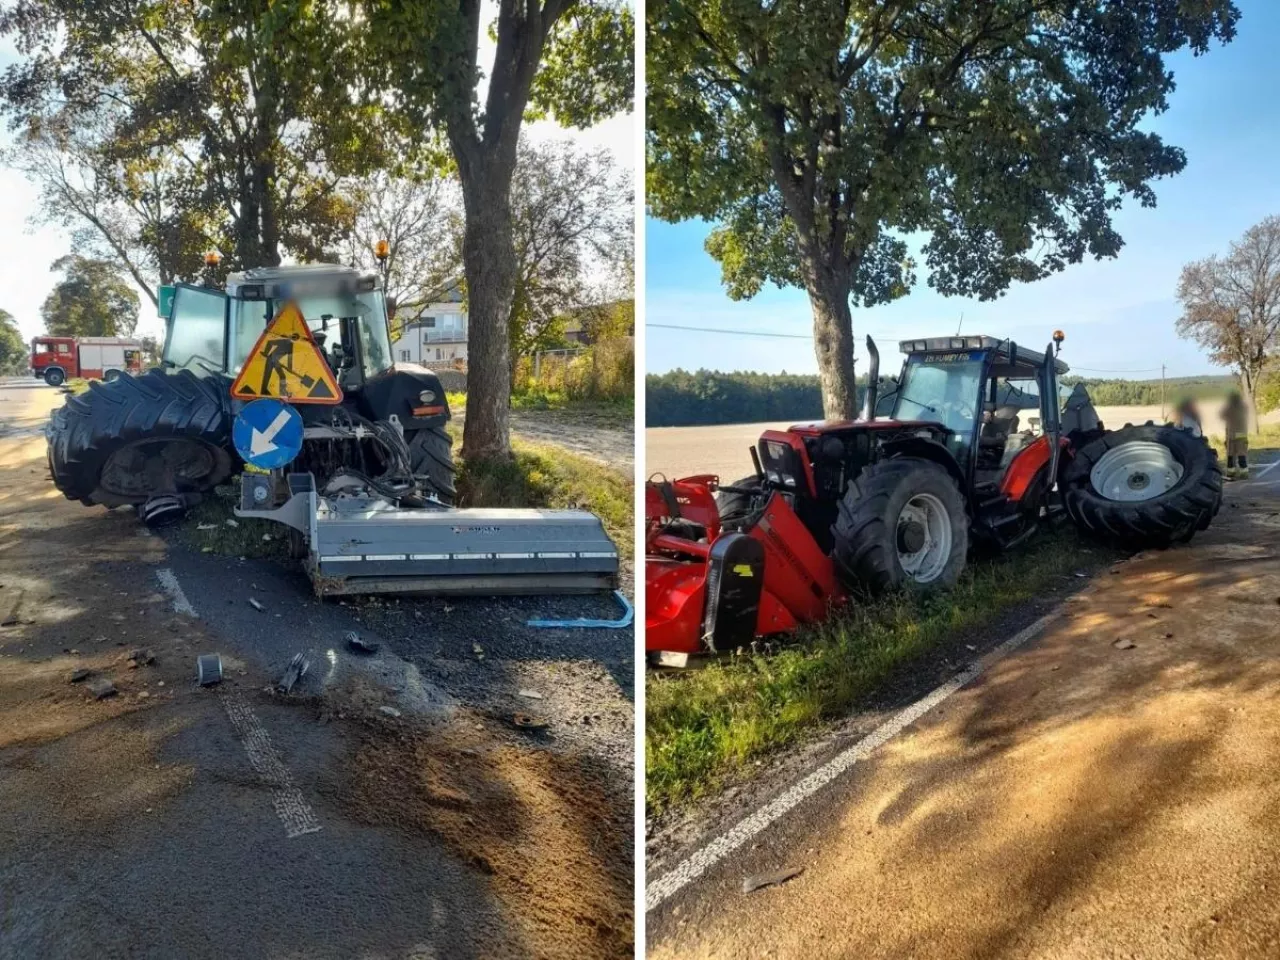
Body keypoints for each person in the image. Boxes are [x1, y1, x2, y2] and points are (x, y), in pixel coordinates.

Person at [1221, 391, 1249, 471]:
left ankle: (1231, 472)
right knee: (1241, 453)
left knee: (1230, 453)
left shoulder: (1229, 407)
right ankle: (1243, 471)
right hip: (1241, 433)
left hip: (1232, 434)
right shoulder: (1243, 407)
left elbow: (1223, 416)